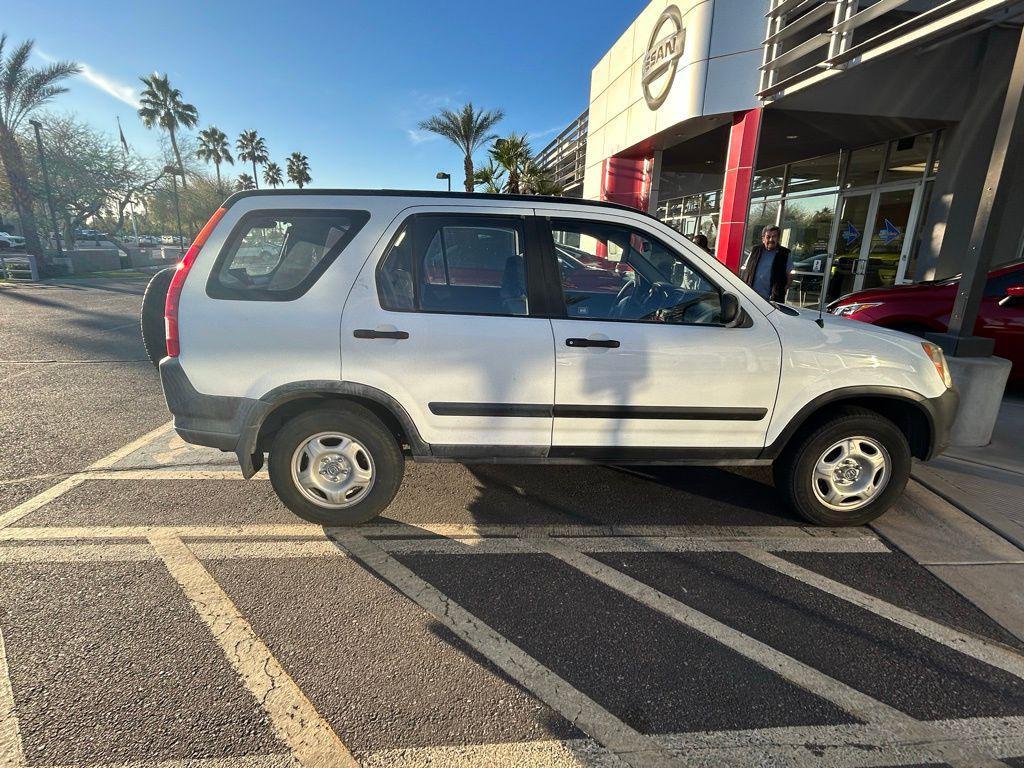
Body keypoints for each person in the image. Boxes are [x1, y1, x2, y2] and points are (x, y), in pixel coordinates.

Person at [742, 225, 792, 302]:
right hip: (751, 297)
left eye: (774, 236)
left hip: (772, 301)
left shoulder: (784, 254)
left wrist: (781, 291)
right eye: (768, 237)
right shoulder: (755, 251)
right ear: (763, 239)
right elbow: (746, 270)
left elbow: (789, 276)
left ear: (778, 238)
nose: (771, 239)